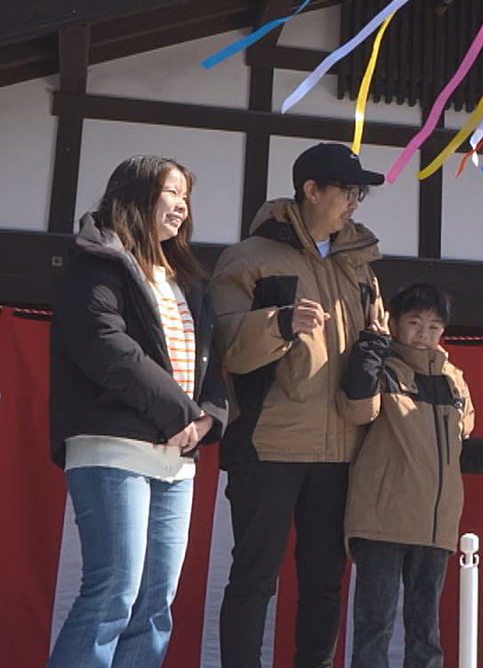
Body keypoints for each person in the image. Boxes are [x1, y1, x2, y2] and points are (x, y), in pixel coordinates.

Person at [211, 143, 388, 668]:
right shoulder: (249, 257)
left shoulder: (360, 267)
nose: (356, 203)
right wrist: (281, 323)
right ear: (311, 191)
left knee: (325, 584)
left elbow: (378, 341)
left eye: (360, 194)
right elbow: (222, 343)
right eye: (348, 191)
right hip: (268, 444)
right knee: (253, 579)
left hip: (341, 450)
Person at [47, 155, 226, 668]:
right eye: (173, 192)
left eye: (186, 197)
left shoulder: (184, 278)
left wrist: (210, 413)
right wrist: (184, 414)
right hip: (112, 445)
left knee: (154, 605)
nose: (182, 206)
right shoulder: (94, 260)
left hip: (176, 456)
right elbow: (108, 348)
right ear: (137, 194)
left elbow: (211, 358)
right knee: (113, 593)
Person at [338, 282, 483, 668]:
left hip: (436, 528)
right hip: (382, 523)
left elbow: (459, 453)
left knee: (425, 634)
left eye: (433, 326)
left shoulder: (454, 379)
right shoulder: (382, 368)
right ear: (393, 324)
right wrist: (372, 345)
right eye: (414, 322)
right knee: (373, 628)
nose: (423, 333)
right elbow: (357, 408)